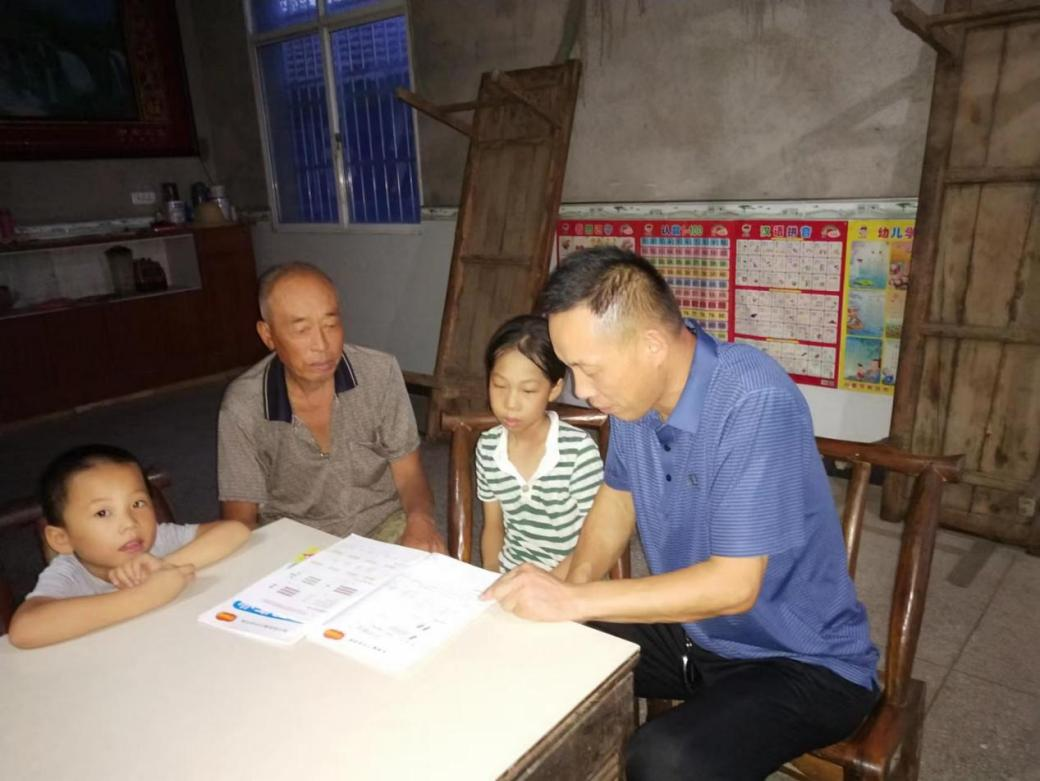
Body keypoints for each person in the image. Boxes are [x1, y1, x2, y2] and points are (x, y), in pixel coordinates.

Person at [484, 247, 879, 780]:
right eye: (572, 369)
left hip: (799, 659)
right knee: (534, 642)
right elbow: (617, 500)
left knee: (665, 760)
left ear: (651, 345)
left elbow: (734, 587)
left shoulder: (754, 400)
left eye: (588, 368)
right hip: (698, 633)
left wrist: (576, 599)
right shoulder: (635, 400)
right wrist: (568, 588)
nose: (582, 390)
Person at [218, 262, 445, 552]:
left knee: (430, 566)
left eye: (331, 325)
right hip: (297, 543)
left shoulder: (379, 373)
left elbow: (410, 474)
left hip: (381, 524)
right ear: (268, 335)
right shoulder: (243, 406)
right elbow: (240, 521)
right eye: (302, 330)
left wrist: (421, 521)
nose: (322, 345)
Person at [8, 444, 249, 649]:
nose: (129, 523)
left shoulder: (158, 540)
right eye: (103, 513)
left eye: (138, 503)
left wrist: (162, 567)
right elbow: (24, 630)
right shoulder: (68, 573)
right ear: (62, 539)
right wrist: (145, 595)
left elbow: (234, 531)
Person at [477, 315, 603, 576]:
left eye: (528, 391)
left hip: (571, 580)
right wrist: (490, 576)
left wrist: (547, 588)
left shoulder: (578, 453)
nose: (510, 404)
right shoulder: (488, 447)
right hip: (511, 577)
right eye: (499, 385)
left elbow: (595, 541)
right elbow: (493, 527)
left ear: (554, 389)